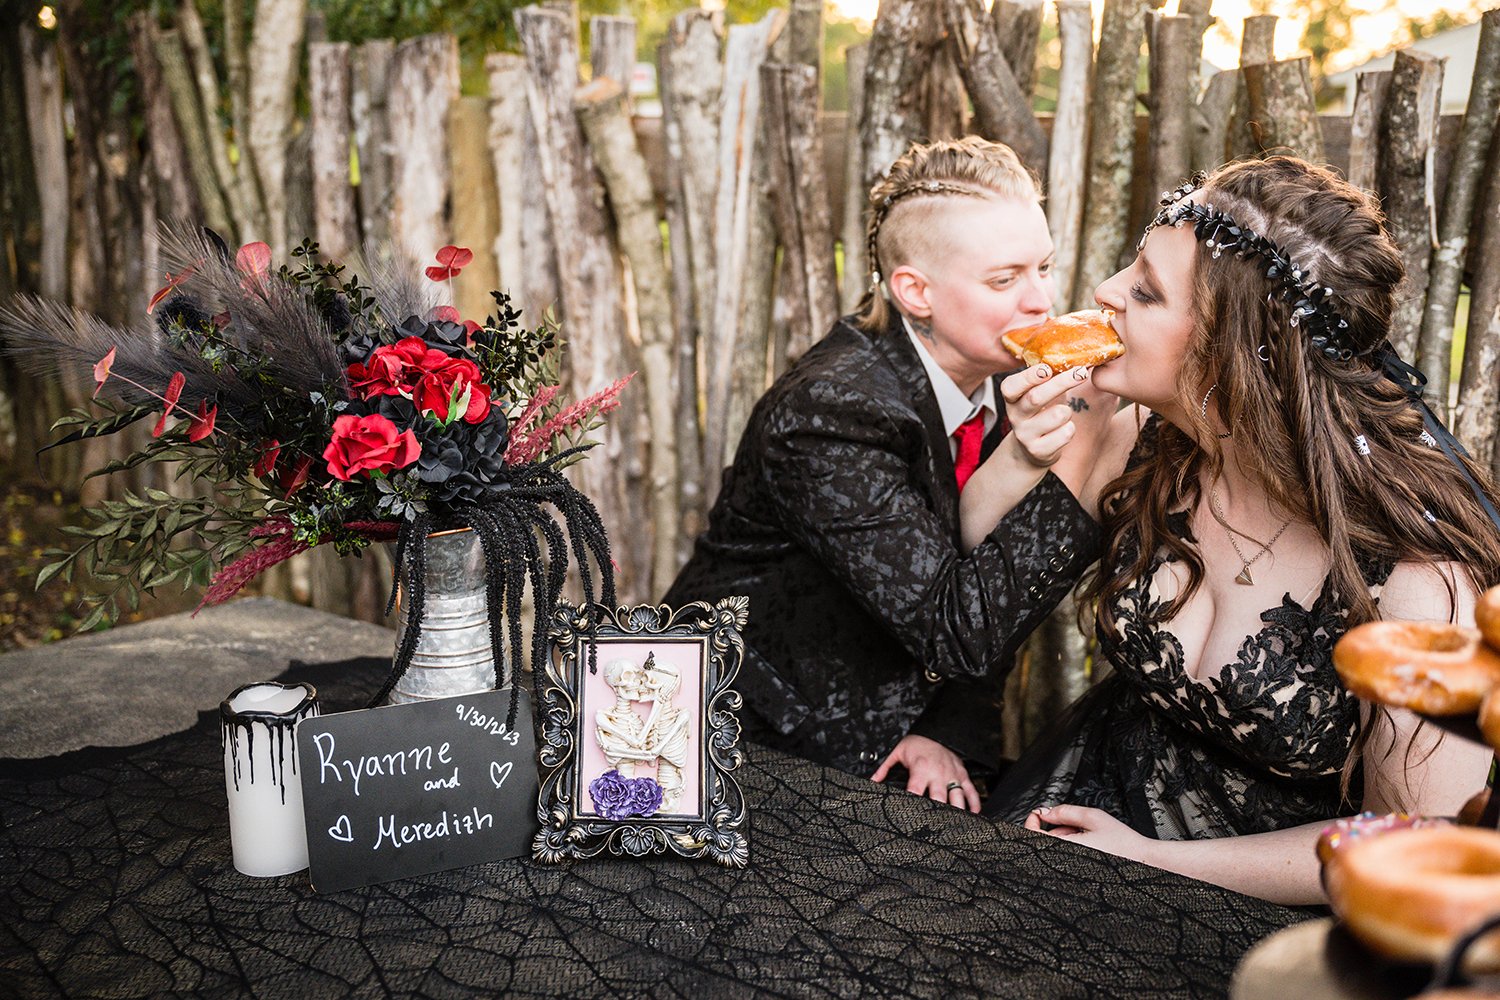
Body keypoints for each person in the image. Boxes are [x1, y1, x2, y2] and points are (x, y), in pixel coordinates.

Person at [963, 156, 1500, 904]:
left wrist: (1149, 863)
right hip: (1081, 795)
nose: (1104, 292)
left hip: (1253, 897)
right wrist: (1042, 447)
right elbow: (980, 580)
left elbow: (1416, 843)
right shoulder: (1143, 439)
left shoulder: (1419, 582)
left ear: (1236, 350)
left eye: (1145, 290)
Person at [663, 136, 1112, 811]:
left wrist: (944, 727)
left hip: (911, 726)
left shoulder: (1013, 375)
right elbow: (954, 624)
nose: (1040, 301)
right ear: (915, 292)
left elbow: (978, 572)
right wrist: (1083, 470)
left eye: (1043, 267)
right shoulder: (832, 410)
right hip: (741, 741)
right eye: (1004, 279)